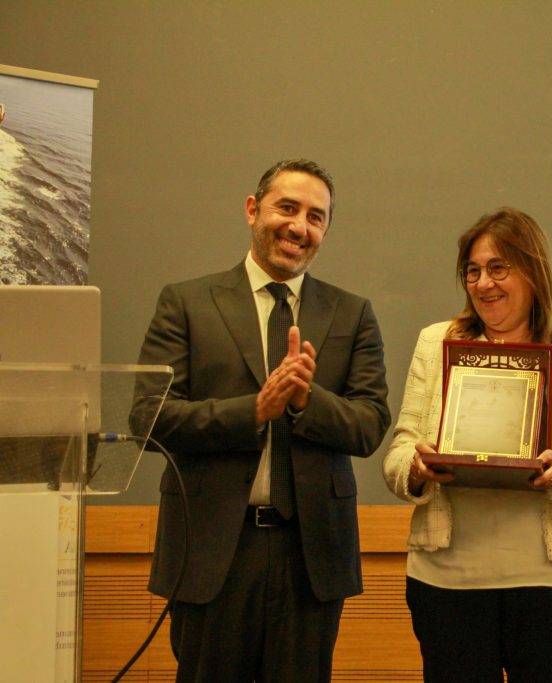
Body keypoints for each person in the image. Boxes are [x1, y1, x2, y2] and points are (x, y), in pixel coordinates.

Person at [137, 159, 390, 682]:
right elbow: (150, 416)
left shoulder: (352, 313)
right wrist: (254, 410)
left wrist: (304, 401)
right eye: (287, 208)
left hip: (311, 558)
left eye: (316, 217)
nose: (300, 226)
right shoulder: (186, 302)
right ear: (253, 210)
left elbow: (370, 424)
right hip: (212, 553)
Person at [382, 207, 552, 682]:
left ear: (534, 272)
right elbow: (398, 453)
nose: (483, 283)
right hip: (448, 582)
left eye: (498, 268)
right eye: (472, 271)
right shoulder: (435, 344)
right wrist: (415, 467)